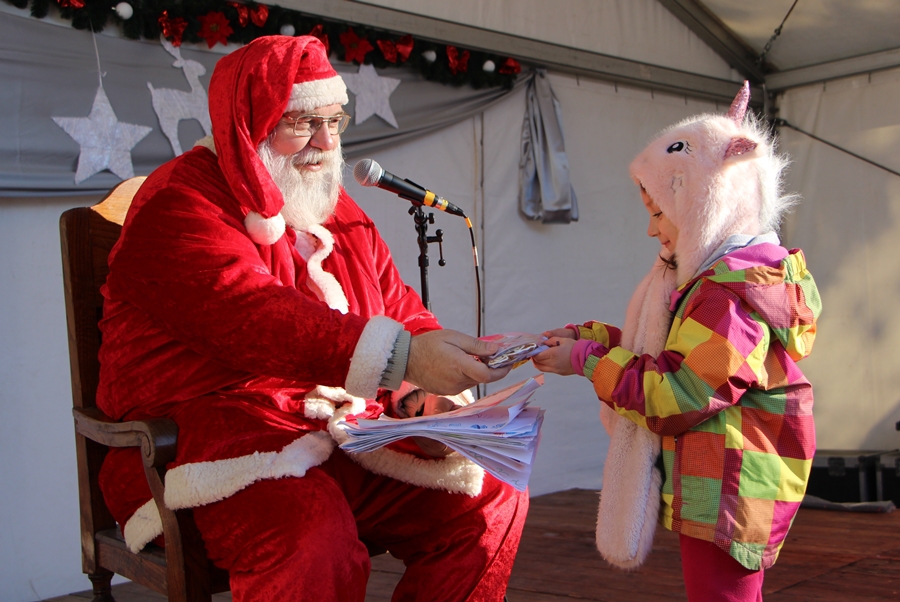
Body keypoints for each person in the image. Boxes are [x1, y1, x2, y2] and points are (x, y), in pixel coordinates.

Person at [95, 35, 528, 601]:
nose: (324, 141)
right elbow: (254, 318)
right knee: (310, 535)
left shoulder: (332, 206)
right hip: (206, 445)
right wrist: (404, 359)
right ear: (250, 121)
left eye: (335, 120)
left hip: (334, 430)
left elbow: (397, 308)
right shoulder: (179, 201)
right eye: (300, 122)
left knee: (490, 493)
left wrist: (427, 396)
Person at [531, 82, 821, 601]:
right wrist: (594, 339)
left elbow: (678, 392)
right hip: (722, 485)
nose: (650, 229)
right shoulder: (722, 287)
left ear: (707, 204)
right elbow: (682, 360)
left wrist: (587, 359)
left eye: (660, 211)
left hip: (729, 492)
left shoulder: (729, 298)